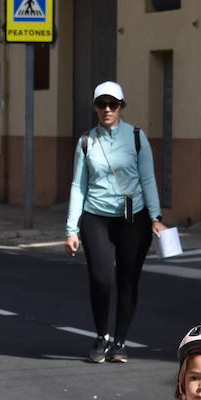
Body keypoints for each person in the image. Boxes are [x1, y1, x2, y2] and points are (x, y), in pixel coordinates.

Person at [64, 81, 167, 363]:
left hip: (133, 218)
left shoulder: (136, 137)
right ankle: (101, 336)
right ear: (95, 108)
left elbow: (148, 179)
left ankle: (119, 342)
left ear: (121, 107)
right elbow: (78, 185)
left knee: (127, 279)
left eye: (113, 104)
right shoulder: (86, 141)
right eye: (102, 104)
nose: (107, 109)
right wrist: (71, 228)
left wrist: (156, 217)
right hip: (96, 216)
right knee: (101, 278)